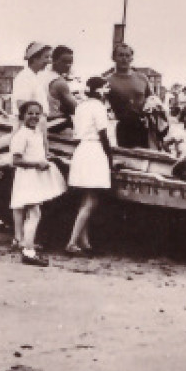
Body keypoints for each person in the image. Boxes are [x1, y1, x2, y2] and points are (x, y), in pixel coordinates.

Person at [8, 100, 67, 266]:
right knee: (34, 214)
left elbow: (36, 153)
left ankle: (27, 245)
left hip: (33, 176)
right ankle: (28, 252)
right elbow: (16, 160)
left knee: (33, 214)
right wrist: (36, 164)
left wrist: (46, 159)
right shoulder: (21, 135)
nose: (34, 117)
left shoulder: (36, 133)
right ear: (22, 115)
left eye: (37, 113)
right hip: (27, 177)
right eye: (30, 113)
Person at [65, 78, 114, 254]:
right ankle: (72, 242)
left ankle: (84, 242)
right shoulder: (99, 107)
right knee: (92, 199)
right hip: (94, 151)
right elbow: (103, 134)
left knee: (86, 199)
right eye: (106, 89)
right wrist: (110, 158)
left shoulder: (81, 106)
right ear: (100, 91)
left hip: (82, 150)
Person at [104, 42, 155, 149]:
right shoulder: (108, 81)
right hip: (123, 128)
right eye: (121, 55)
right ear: (113, 57)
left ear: (132, 58)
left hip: (144, 127)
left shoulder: (142, 78)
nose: (124, 59)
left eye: (127, 55)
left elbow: (152, 99)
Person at [11, 42, 53, 125]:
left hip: (37, 124)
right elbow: (22, 107)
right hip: (29, 127)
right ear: (35, 58)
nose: (49, 61)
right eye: (46, 57)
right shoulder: (24, 77)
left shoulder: (35, 77)